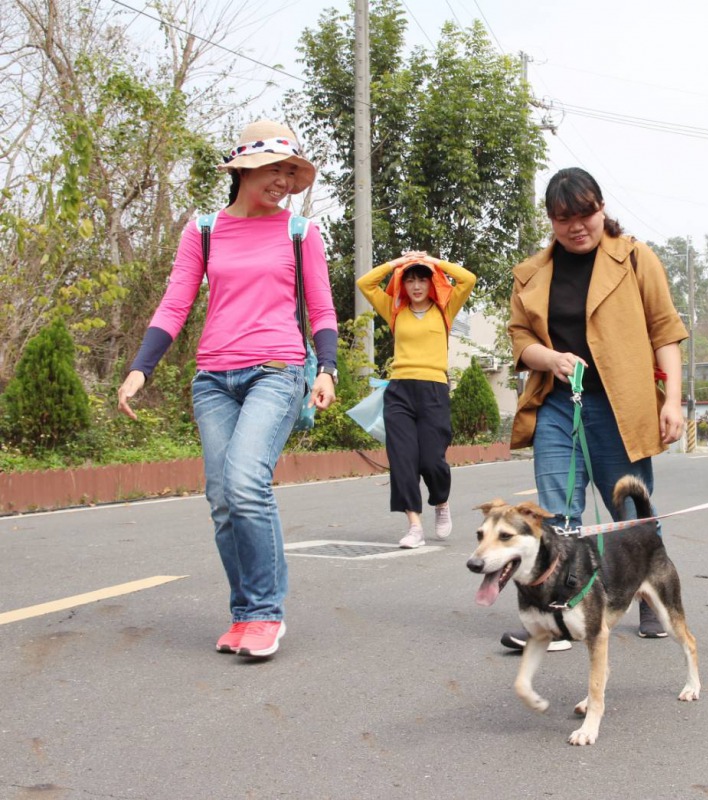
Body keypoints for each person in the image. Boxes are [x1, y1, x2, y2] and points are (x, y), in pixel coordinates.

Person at [117, 119, 338, 660]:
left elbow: (323, 307)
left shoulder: (301, 232)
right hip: (213, 379)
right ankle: (244, 612)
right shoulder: (204, 230)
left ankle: (265, 612)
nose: (284, 180)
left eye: (291, 171)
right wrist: (141, 367)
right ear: (243, 170)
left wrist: (327, 367)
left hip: (276, 371)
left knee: (245, 482)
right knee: (221, 499)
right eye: (273, 169)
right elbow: (176, 302)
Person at [503, 167, 688, 651]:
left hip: (620, 406)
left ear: (602, 208)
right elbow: (520, 337)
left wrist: (673, 400)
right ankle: (558, 610)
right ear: (550, 220)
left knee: (628, 507)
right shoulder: (531, 273)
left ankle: (647, 590)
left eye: (586, 213)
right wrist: (548, 358)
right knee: (557, 511)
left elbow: (665, 330)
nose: (577, 225)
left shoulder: (635, 259)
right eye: (564, 218)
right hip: (558, 404)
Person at [356, 253, 476, 548]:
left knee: (432, 461)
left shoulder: (444, 309)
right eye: (410, 279)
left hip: (434, 390)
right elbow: (365, 283)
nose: (416, 285)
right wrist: (396, 263)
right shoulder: (395, 310)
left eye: (422, 278)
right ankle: (414, 526)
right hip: (399, 391)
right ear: (403, 284)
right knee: (402, 460)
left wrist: (433, 261)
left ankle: (441, 501)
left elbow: (468, 279)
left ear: (431, 281)